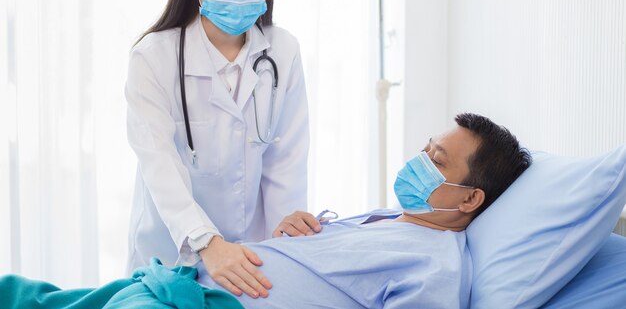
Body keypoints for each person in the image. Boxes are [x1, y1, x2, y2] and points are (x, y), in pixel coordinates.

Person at [125, 0, 309, 299]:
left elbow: (286, 159)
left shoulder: (282, 51)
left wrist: (287, 232)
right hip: (172, 257)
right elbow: (160, 167)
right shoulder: (153, 58)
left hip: (255, 258)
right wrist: (207, 242)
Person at [195, 112, 532, 308]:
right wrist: (291, 238)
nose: (419, 162)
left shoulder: (436, 267)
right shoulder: (385, 217)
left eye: (437, 161)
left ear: (470, 199)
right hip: (190, 285)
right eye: (425, 150)